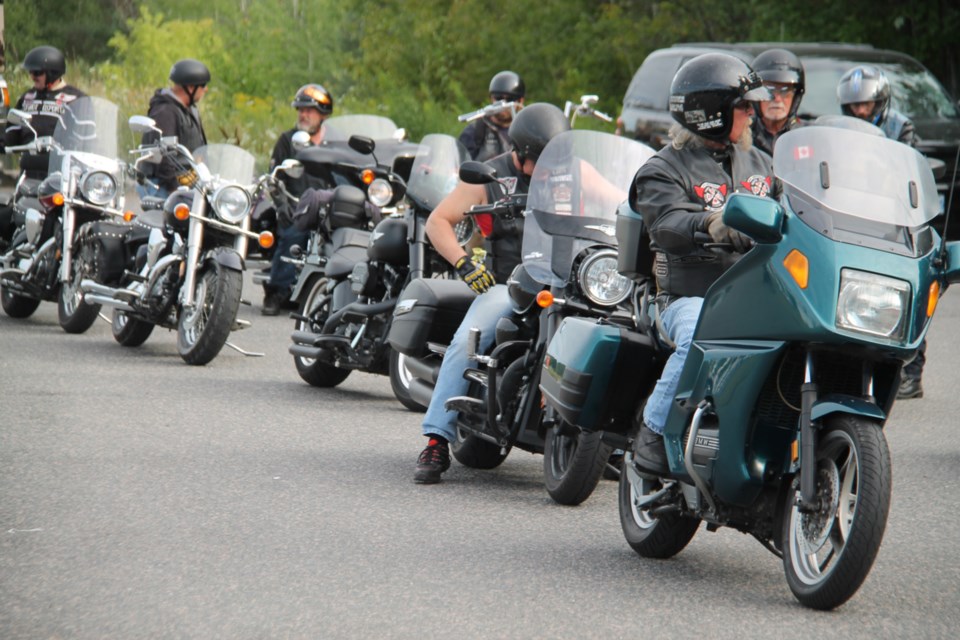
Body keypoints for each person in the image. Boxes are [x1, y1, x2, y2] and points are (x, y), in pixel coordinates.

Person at [629, 53, 774, 474]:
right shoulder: (662, 169)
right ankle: (653, 430)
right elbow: (666, 223)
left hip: (752, 295)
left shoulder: (761, 164)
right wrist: (711, 223)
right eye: (744, 106)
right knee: (698, 335)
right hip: (688, 298)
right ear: (713, 113)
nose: (753, 113)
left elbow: (796, 211)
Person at [414, 102, 570, 484]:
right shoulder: (491, 176)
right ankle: (436, 437)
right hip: (511, 285)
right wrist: (464, 264)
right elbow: (438, 222)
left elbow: (617, 202)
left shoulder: (573, 172)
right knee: (471, 335)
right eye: (539, 159)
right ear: (519, 154)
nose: (547, 168)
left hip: (568, 284)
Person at [838, 65, 924, 398]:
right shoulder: (840, 129)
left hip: (897, 214)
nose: (860, 111)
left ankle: (912, 373)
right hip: (857, 214)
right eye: (854, 106)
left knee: (911, 287)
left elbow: (908, 168)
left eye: (867, 105)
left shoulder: (900, 127)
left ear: (881, 103)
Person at [2, 46, 86, 245]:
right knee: (14, 217)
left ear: (53, 73)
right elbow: (10, 134)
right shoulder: (27, 98)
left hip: (60, 178)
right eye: (31, 72)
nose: (32, 76)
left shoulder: (76, 100)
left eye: (37, 72)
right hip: (29, 176)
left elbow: (88, 139)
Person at [262, 83, 334, 316]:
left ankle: (335, 294)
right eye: (301, 109)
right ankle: (276, 291)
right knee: (292, 235)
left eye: (309, 110)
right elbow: (274, 179)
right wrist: (283, 207)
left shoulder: (333, 145)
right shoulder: (287, 140)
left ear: (322, 114)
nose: (303, 114)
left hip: (328, 207)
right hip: (297, 207)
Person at [138, 58, 210, 198]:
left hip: (188, 183)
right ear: (190, 88)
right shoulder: (165, 112)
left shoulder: (189, 109)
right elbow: (163, 155)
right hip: (163, 187)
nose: (205, 90)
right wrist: (175, 191)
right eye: (203, 86)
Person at [458, 70, 525, 162]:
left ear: (520, 101)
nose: (503, 103)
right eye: (498, 97)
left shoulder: (526, 132)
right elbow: (460, 166)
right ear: (491, 98)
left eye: (510, 99)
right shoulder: (475, 131)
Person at [750, 48, 807, 155]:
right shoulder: (741, 137)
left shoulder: (810, 136)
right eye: (769, 90)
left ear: (796, 96)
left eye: (785, 91)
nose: (777, 98)